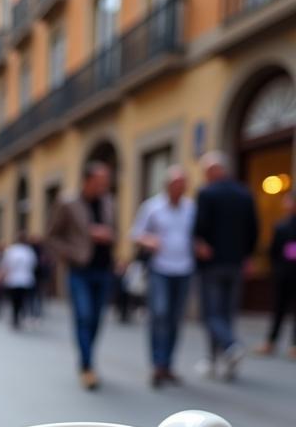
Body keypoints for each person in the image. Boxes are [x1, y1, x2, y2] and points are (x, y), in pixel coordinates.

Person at [46, 161, 117, 390]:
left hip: (103, 268)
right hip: (80, 270)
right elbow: (52, 237)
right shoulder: (67, 203)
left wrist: (108, 236)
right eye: (99, 182)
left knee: (96, 320)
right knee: (83, 316)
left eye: (106, 182)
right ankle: (87, 366)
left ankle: (87, 358)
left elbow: (114, 230)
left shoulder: (108, 202)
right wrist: (73, 254)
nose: (103, 187)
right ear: (86, 181)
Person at [193, 151, 259, 380]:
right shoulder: (244, 193)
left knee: (211, 313)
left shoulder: (206, 193)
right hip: (236, 263)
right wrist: (248, 256)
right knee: (226, 314)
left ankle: (230, 347)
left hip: (212, 263)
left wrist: (200, 244)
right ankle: (218, 362)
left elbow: (199, 227)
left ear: (211, 171)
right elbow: (254, 229)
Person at [131, 165, 196, 388]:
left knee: (175, 318)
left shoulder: (191, 208)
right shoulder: (152, 207)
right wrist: (149, 241)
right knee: (159, 314)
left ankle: (168, 364)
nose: (180, 188)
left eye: (183, 184)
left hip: (184, 268)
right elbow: (136, 234)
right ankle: (158, 364)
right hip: (160, 268)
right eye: (176, 184)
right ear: (167, 186)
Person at [254, 192, 296, 359]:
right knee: (278, 308)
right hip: (284, 273)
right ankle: (271, 341)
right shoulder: (281, 226)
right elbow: (274, 251)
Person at [0, 232, 37, 329]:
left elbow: (6, 264)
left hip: (13, 280)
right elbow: (33, 265)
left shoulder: (11, 250)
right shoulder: (29, 251)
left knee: (14, 300)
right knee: (22, 300)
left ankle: (15, 317)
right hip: (25, 280)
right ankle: (20, 316)